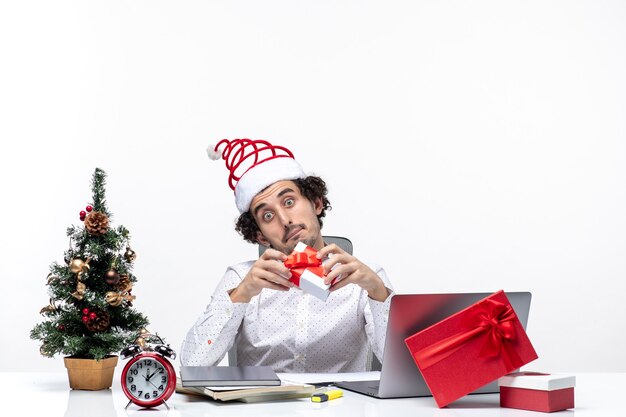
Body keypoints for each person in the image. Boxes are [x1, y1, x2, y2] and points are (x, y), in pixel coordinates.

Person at [180, 139, 394, 372]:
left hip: (342, 406)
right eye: (268, 216)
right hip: (262, 407)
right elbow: (192, 364)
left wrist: (378, 293)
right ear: (261, 236)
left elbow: (404, 368)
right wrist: (241, 294)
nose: (285, 220)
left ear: (316, 203)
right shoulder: (240, 277)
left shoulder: (365, 279)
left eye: (289, 202)